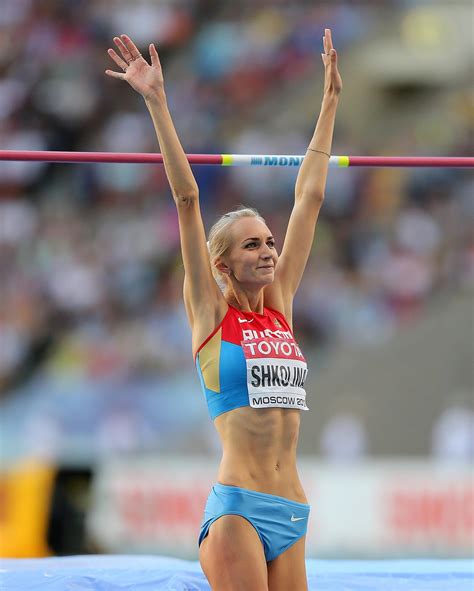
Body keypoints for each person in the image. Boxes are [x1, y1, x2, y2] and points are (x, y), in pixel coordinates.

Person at [106, 28, 342, 591]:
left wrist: (330, 102)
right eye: (253, 245)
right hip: (239, 512)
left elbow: (308, 198)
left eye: (269, 241)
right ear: (223, 264)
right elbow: (187, 200)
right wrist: (157, 102)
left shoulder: (280, 305)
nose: (269, 251)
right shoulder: (211, 316)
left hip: (293, 511)